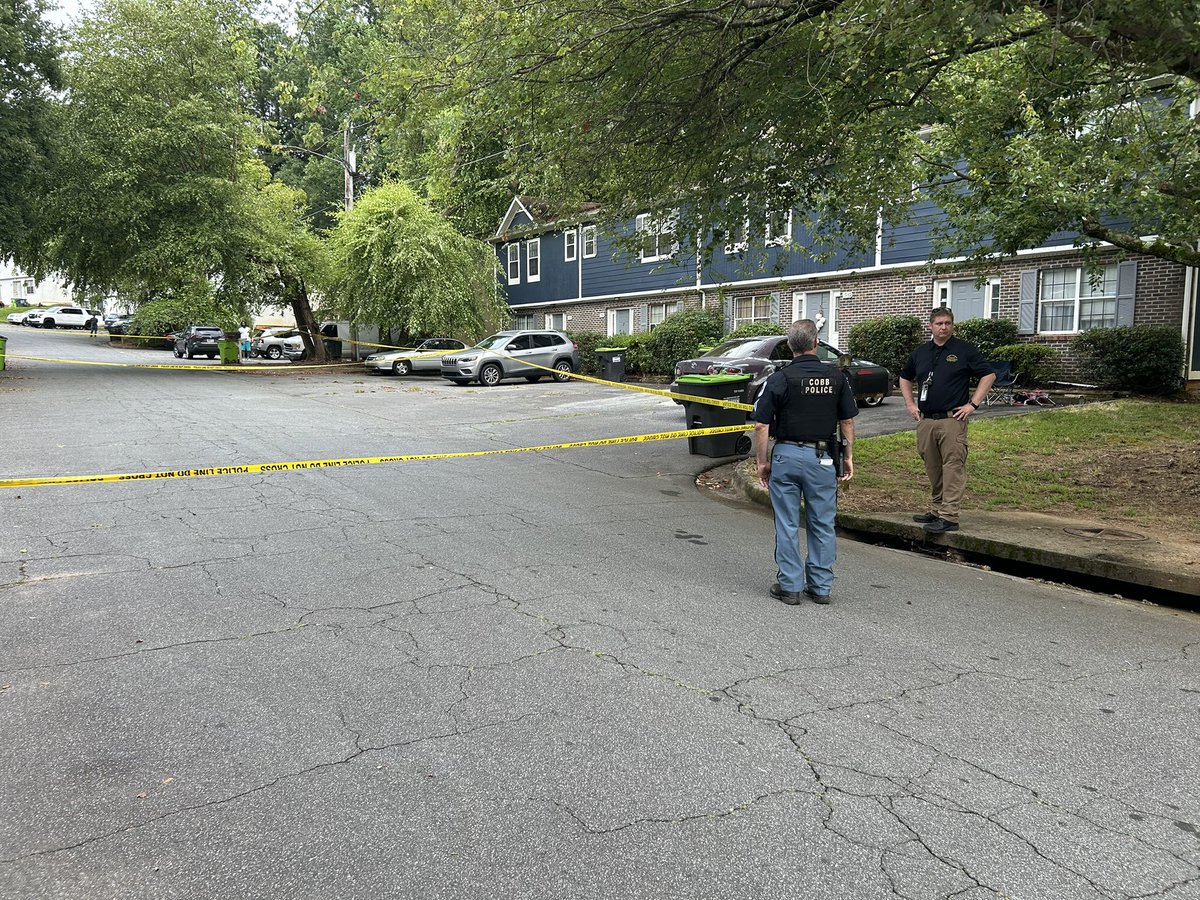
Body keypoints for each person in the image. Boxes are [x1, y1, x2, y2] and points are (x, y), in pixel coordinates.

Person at [752, 319, 857, 606]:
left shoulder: (779, 379)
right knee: (822, 523)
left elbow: (761, 425)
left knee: (787, 523)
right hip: (823, 458)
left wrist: (762, 462)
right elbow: (847, 421)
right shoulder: (837, 378)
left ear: (790, 346)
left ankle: (790, 586)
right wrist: (848, 457)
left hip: (786, 456)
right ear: (816, 343)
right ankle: (821, 587)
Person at [898, 307, 996, 534]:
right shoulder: (921, 352)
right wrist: (910, 404)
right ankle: (936, 510)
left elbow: (988, 375)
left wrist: (972, 405)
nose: (944, 327)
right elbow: (904, 377)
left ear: (952, 325)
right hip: (926, 420)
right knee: (933, 467)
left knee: (952, 467)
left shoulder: (964, 350)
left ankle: (949, 516)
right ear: (930, 326)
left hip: (952, 420)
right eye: (939, 323)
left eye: (948, 323)